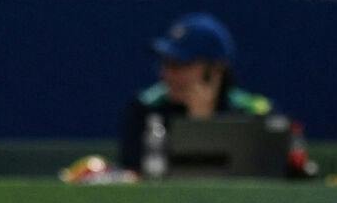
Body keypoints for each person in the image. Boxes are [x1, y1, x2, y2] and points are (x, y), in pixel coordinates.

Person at [116, 13, 281, 173]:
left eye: (179, 65)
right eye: (165, 63)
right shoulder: (145, 109)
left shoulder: (254, 114)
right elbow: (137, 176)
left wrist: (204, 122)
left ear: (215, 71)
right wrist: (195, 124)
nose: (166, 75)